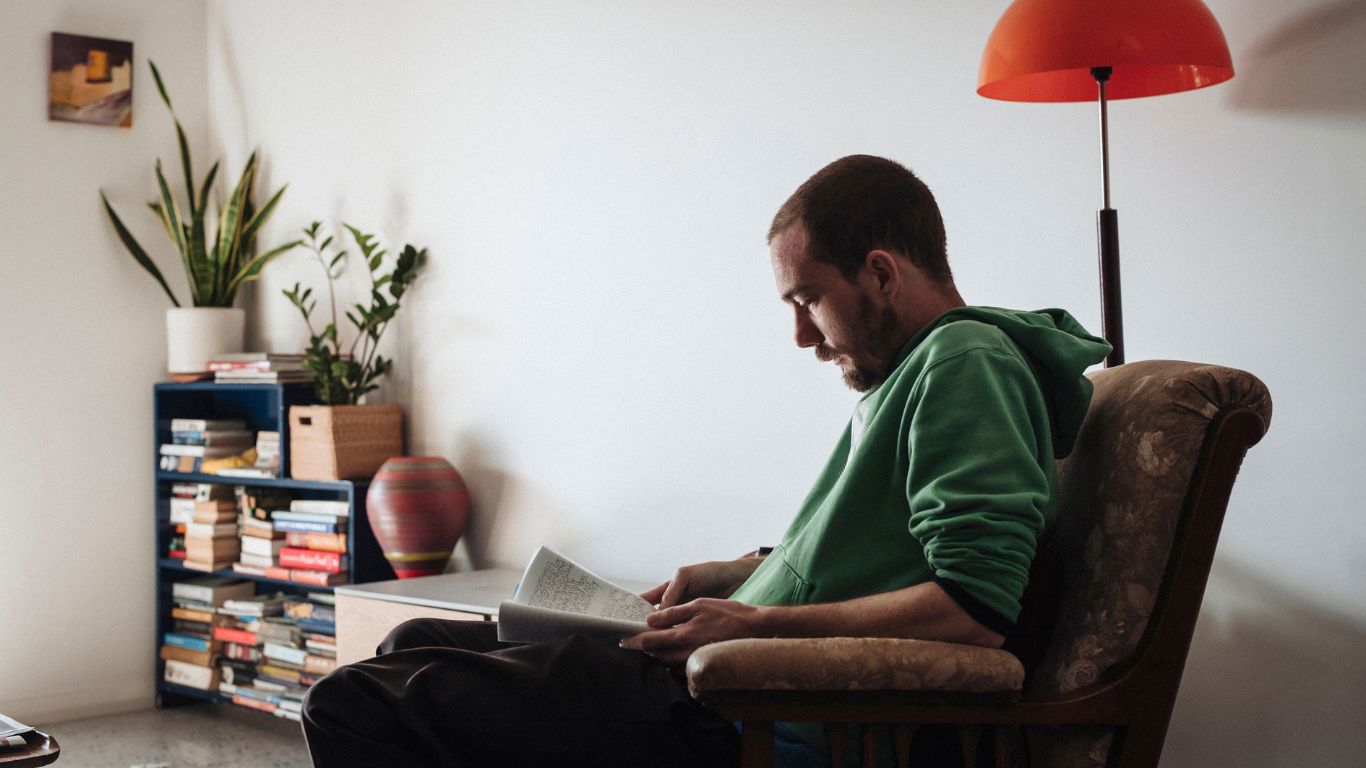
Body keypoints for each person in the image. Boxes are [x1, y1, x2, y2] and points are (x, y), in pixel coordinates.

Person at [301, 154, 1111, 767]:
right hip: (719, 674)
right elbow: (879, 551)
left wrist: (755, 623)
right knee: (408, 639)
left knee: (349, 705)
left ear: (880, 273)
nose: (801, 335)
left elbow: (974, 606)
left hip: (747, 707)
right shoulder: (923, 371)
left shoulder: (965, 363)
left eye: (807, 300)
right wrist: (740, 572)